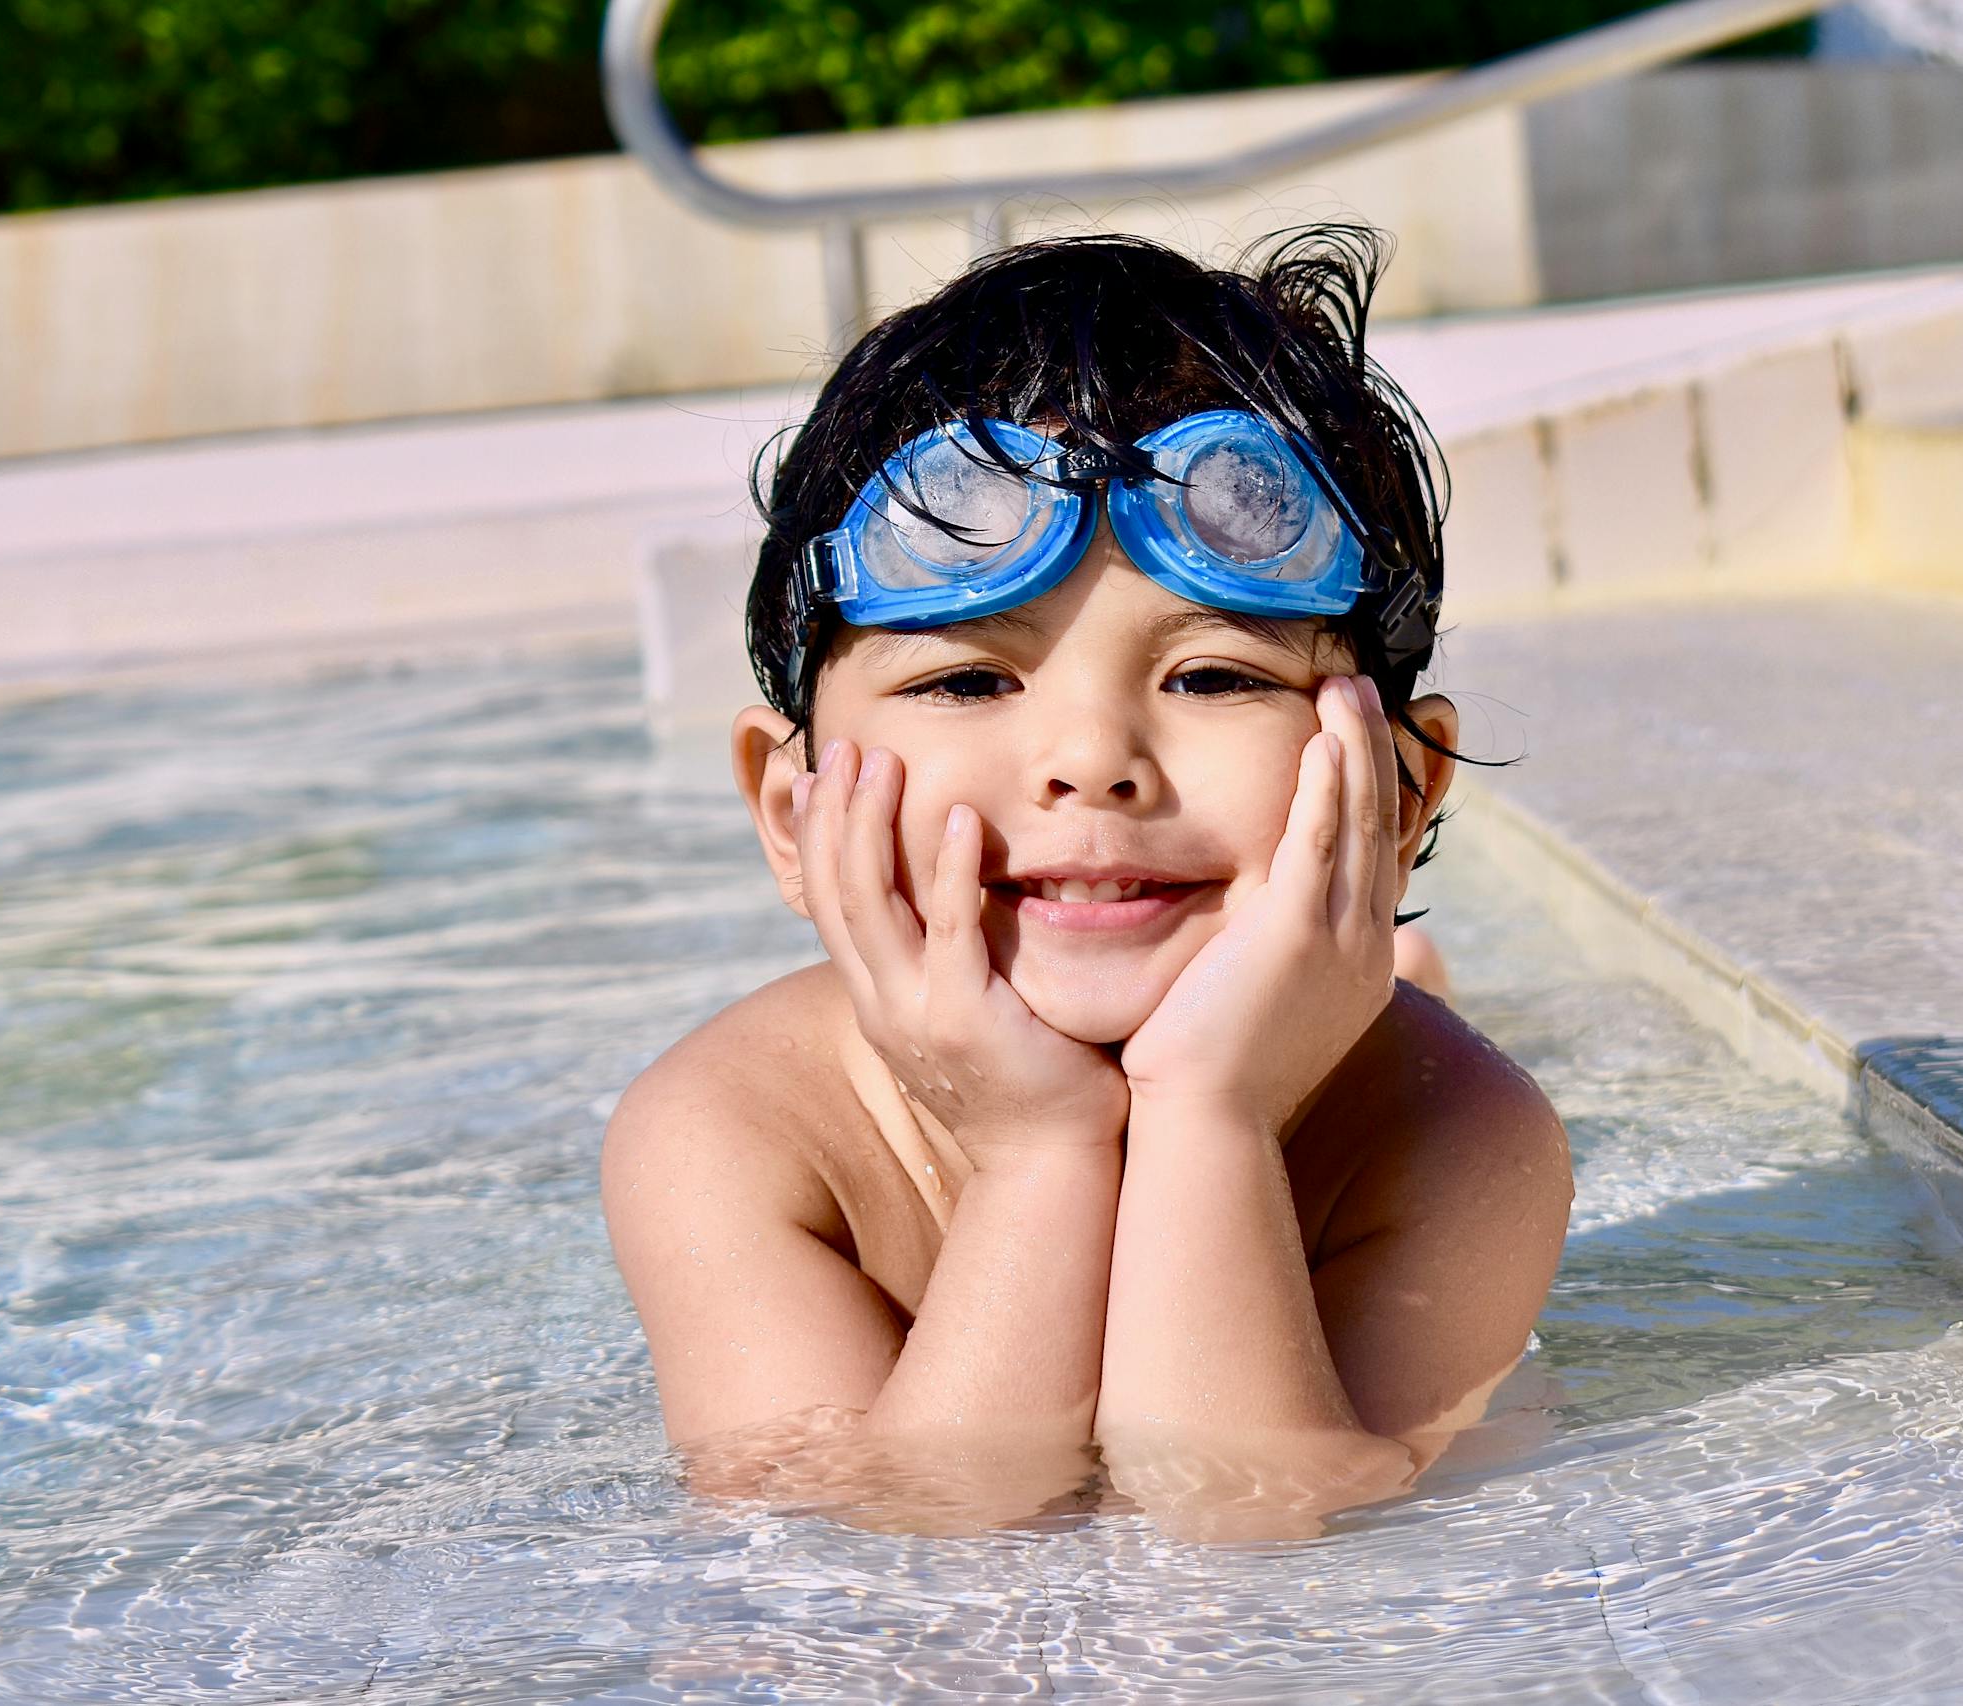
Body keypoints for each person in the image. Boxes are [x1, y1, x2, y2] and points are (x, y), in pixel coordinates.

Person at [601, 224, 1572, 1539]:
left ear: (1399, 792)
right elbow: (884, 1563)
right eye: (966, 678)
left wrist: (1214, 1112)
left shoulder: (1457, 1133)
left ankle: (1398, 966)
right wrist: (1039, 1154)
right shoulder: (734, 1133)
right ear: (789, 807)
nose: (1092, 762)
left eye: (1215, 674)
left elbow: (1249, 1527)